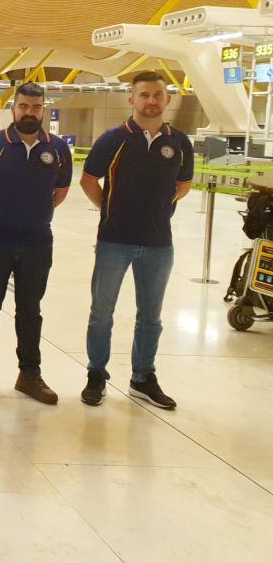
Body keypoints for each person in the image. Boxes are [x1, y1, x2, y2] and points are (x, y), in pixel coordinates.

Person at [79, 71, 193, 409]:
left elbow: (184, 184)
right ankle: (96, 374)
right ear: (131, 99)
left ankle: (143, 377)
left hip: (159, 244)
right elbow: (88, 180)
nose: (151, 101)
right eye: (144, 94)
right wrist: (109, 208)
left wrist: (160, 209)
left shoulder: (180, 142)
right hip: (115, 240)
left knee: (151, 317)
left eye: (158, 94)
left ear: (167, 99)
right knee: (101, 312)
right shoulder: (113, 139)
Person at [0, 82, 71, 405]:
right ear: (13, 109)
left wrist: (37, 215)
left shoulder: (57, 149)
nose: (29, 113)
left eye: (36, 108)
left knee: (30, 309)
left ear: (43, 110)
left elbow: (60, 192)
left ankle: (29, 374)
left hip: (37, 241)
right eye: (23, 107)